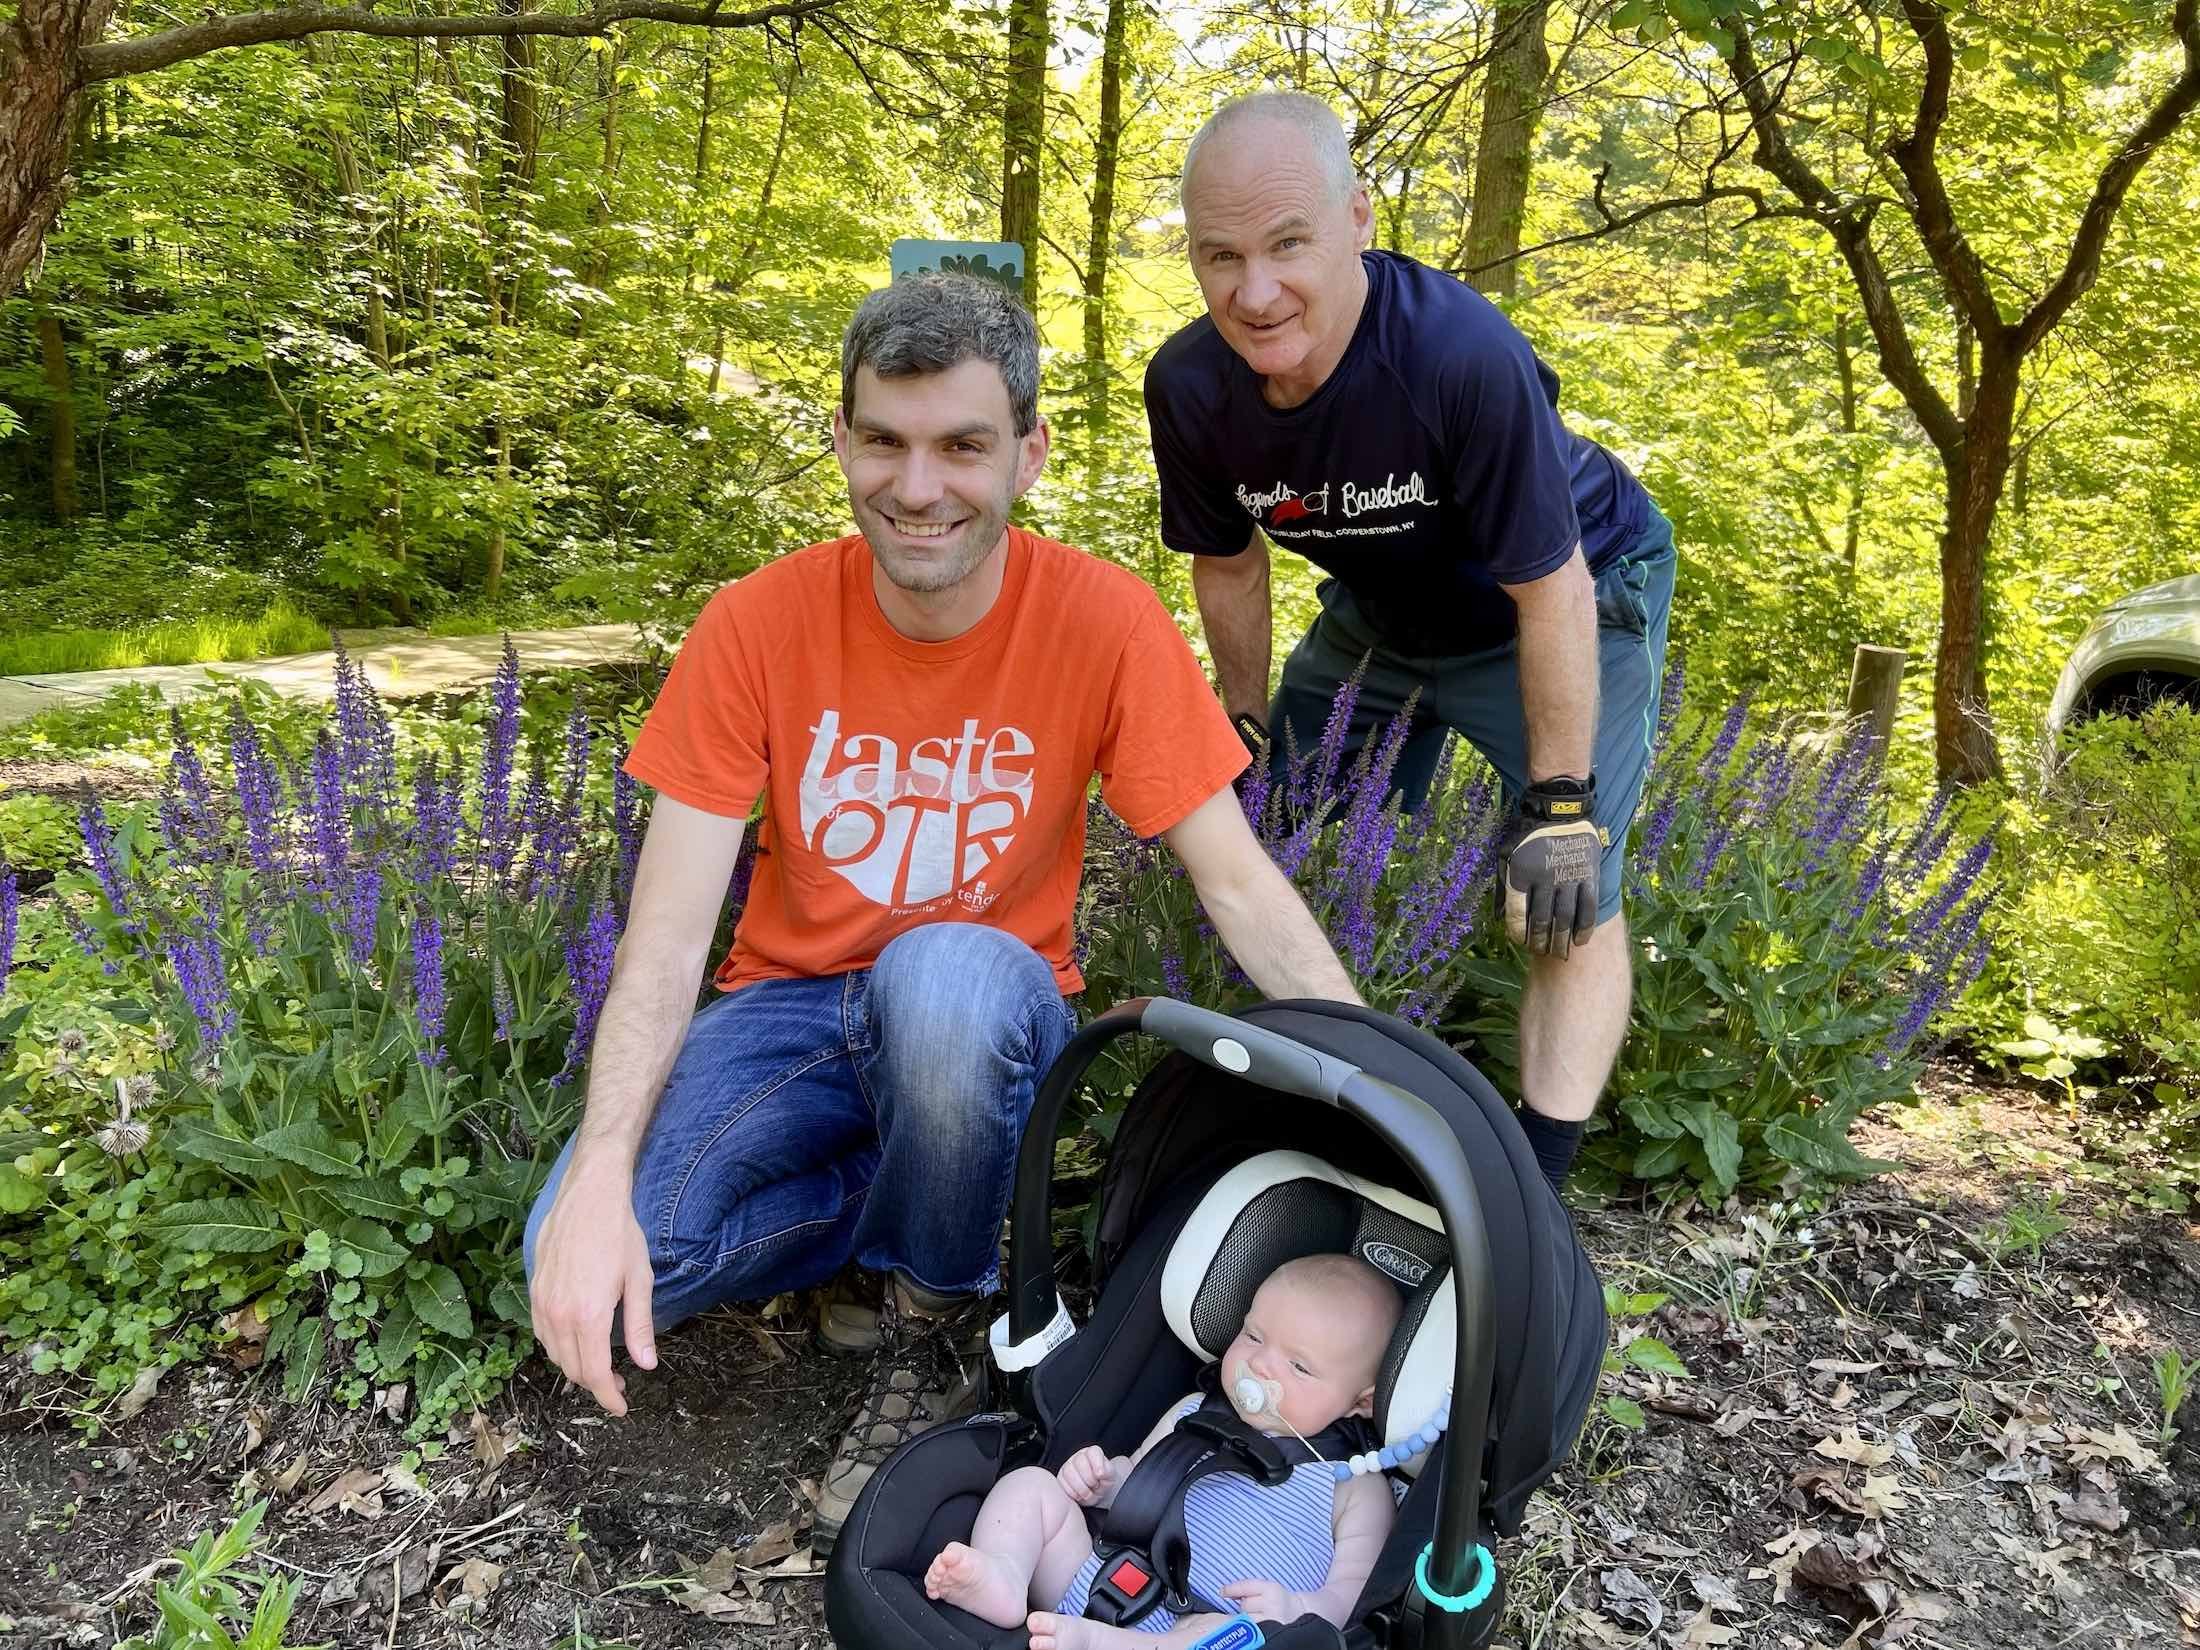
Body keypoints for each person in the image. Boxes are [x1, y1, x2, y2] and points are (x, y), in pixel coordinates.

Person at [525, 270, 1363, 1552]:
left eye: (962, 445)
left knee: (948, 980)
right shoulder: (754, 624)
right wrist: (594, 1178)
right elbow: (667, 934)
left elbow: (1236, 877)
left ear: (1027, 453)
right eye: (886, 442)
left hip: (980, 1010)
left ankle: (929, 1306)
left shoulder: (1102, 618)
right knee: (592, 1263)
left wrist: (1382, 1087)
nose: (918, 488)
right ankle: (916, 1204)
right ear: (844, 441)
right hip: (792, 1014)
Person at [1144, 91, 1678, 1195]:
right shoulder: (1190, 388)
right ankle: (1305, 1093)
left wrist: (1563, 802)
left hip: (1564, 593)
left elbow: (1552, 590)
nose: (1254, 291)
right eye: (1219, 255)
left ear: (1358, 220)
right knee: (1261, 829)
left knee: (1563, 890)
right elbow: (1230, 563)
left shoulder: (1455, 358)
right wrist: (1242, 729)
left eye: (1288, 243)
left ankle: (1529, 1186)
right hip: (1378, 617)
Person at [922, 1253, 1403, 1648]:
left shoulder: (1357, 1485)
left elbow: (1351, 1596)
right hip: (1103, 1574)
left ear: (1361, 1401)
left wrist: (1297, 1611)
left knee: (1229, 1638)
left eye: (1299, 1366)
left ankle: (1096, 1643)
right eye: (1253, 1336)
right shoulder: (1195, 1411)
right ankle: (1005, 1575)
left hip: (1212, 1629)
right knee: (1030, 1487)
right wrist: (1104, 1481)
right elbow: (1137, 1480)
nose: (1259, 1364)